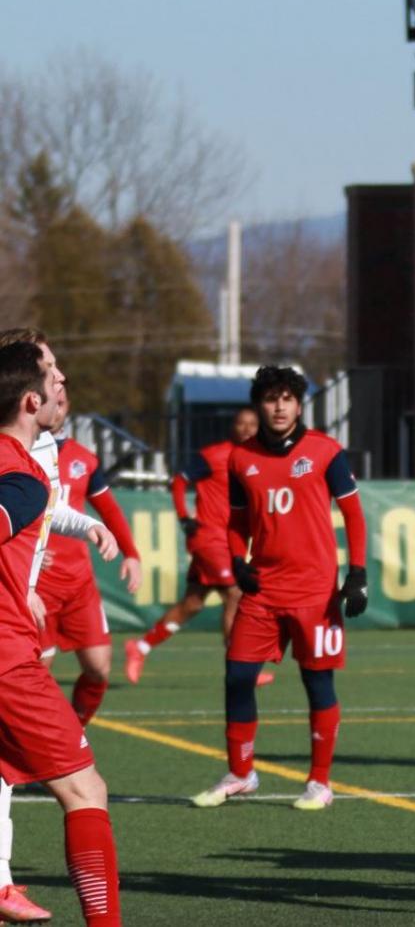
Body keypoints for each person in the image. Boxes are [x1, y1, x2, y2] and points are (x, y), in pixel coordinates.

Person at [191, 365, 368, 811]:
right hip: (263, 590)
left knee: (317, 683)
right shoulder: (239, 458)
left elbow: (354, 515)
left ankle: (320, 783)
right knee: (237, 677)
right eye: (271, 398)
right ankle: (240, 773)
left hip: (315, 593)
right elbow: (236, 520)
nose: (280, 406)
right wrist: (236, 558)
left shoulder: (327, 452)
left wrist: (358, 572)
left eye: (287, 398)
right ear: (259, 404)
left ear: (299, 403)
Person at [0, 328, 119, 924]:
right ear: (29, 401)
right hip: (5, 661)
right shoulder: (22, 475)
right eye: (52, 378)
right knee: (85, 791)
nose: (61, 386)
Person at [125, 406, 260, 684]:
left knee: (193, 603)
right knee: (235, 594)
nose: (246, 429)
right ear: (233, 427)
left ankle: (140, 647)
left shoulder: (256, 461)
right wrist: (184, 516)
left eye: (252, 424)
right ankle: (240, 671)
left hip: (230, 541)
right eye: (241, 423)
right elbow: (179, 479)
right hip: (210, 538)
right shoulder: (215, 455)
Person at [37, 385, 143, 727]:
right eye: (51, 398)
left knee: (98, 668)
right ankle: (24, 757)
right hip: (37, 587)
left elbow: (108, 511)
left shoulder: (85, 459)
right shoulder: (22, 453)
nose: (56, 406)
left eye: (62, 401)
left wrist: (131, 554)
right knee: (36, 677)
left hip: (79, 585)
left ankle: (71, 734)